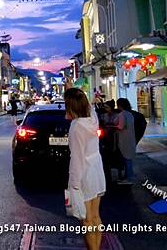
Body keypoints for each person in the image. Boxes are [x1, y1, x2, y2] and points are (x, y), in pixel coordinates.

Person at [64, 88, 106, 250]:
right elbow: (91, 107)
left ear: (71, 106)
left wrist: (73, 185)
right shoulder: (92, 120)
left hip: (84, 174)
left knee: (86, 220)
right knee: (95, 216)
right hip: (96, 170)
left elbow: (77, 158)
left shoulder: (76, 127)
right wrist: (71, 88)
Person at [115, 98, 136, 184]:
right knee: (129, 159)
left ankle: (128, 178)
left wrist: (113, 127)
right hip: (131, 138)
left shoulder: (121, 115)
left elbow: (120, 127)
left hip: (124, 139)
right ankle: (129, 175)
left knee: (126, 159)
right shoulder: (130, 114)